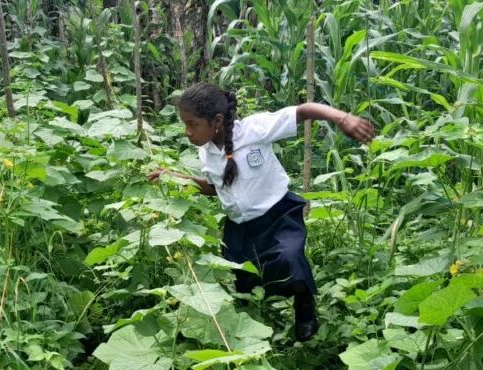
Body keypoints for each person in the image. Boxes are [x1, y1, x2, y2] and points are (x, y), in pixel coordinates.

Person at [147, 83, 375, 341]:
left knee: (289, 260)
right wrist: (173, 176)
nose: (187, 132)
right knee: (245, 283)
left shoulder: (255, 130)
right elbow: (215, 188)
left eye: (192, 124)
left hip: (278, 217)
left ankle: (305, 307)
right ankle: (252, 334)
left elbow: (303, 110)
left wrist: (342, 118)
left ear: (217, 121)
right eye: (184, 125)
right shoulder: (206, 152)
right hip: (240, 228)